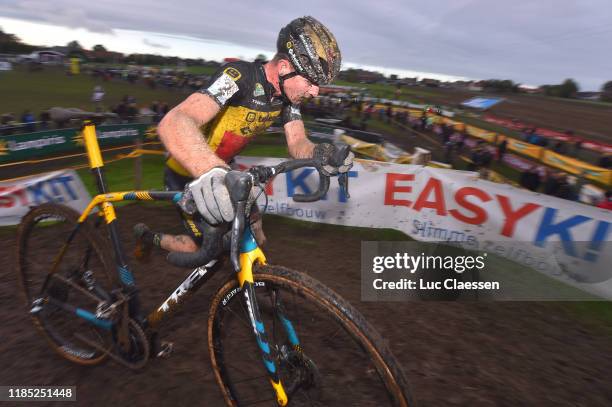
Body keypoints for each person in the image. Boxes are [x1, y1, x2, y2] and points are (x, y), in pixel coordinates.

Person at [134, 16, 352, 258]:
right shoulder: (238, 77)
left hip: (225, 172)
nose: (315, 92)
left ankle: (257, 283)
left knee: (257, 232)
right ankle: (147, 237)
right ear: (283, 68)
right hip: (187, 173)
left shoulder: (286, 97)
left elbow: (297, 142)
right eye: (311, 82)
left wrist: (321, 153)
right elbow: (175, 121)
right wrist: (211, 169)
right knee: (200, 248)